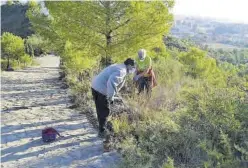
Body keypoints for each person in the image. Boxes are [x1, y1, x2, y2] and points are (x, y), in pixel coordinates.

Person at [91, 58, 136, 137]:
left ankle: (101, 128)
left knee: (100, 109)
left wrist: (114, 95)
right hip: (101, 89)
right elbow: (111, 83)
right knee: (105, 111)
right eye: (133, 67)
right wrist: (110, 97)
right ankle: (103, 132)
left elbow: (114, 84)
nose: (133, 69)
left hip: (95, 86)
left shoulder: (118, 66)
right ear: (129, 65)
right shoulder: (122, 71)